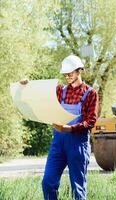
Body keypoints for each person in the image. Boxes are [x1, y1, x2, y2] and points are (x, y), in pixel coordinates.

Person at [20, 55, 99, 200]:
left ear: (79, 71)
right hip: (58, 144)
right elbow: (42, 94)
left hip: (78, 145)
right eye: (65, 74)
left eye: (70, 73)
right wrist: (27, 84)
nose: (67, 76)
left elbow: (91, 121)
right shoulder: (60, 91)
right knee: (48, 182)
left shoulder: (90, 93)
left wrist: (69, 129)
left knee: (78, 188)